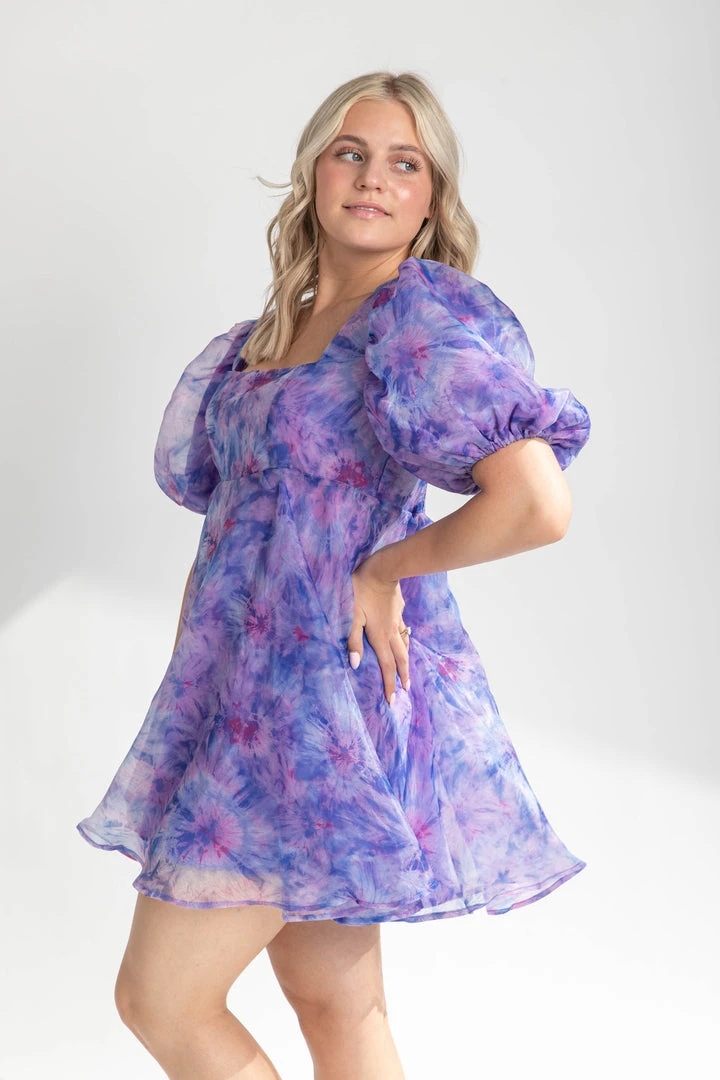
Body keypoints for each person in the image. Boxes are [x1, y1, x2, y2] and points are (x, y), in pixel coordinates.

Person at [76, 70, 591, 1080]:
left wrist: (386, 569)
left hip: (326, 706)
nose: (373, 179)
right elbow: (230, 535)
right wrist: (190, 695)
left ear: (432, 199)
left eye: (406, 163)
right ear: (313, 172)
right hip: (241, 702)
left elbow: (537, 503)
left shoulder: (417, 321)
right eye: (351, 153)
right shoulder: (265, 339)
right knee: (336, 1007)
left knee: (161, 1002)